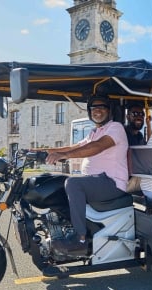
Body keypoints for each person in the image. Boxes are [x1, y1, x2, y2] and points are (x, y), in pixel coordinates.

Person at [45, 95, 129, 255]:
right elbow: (75, 146)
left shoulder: (115, 127)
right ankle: (63, 229)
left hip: (112, 183)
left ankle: (80, 239)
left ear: (109, 110)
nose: (97, 111)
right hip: (96, 182)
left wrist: (65, 156)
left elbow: (97, 146)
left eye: (102, 107)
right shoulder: (94, 132)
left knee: (73, 183)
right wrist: (41, 152)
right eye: (93, 108)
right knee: (57, 181)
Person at [125, 103, 152, 193]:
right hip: (126, 181)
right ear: (127, 117)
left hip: (137, 175)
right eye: (135, 114)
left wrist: (148, 124)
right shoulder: (123, 134)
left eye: (141, 114)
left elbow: (149, 146)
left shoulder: (139, 135)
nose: (139, 117)